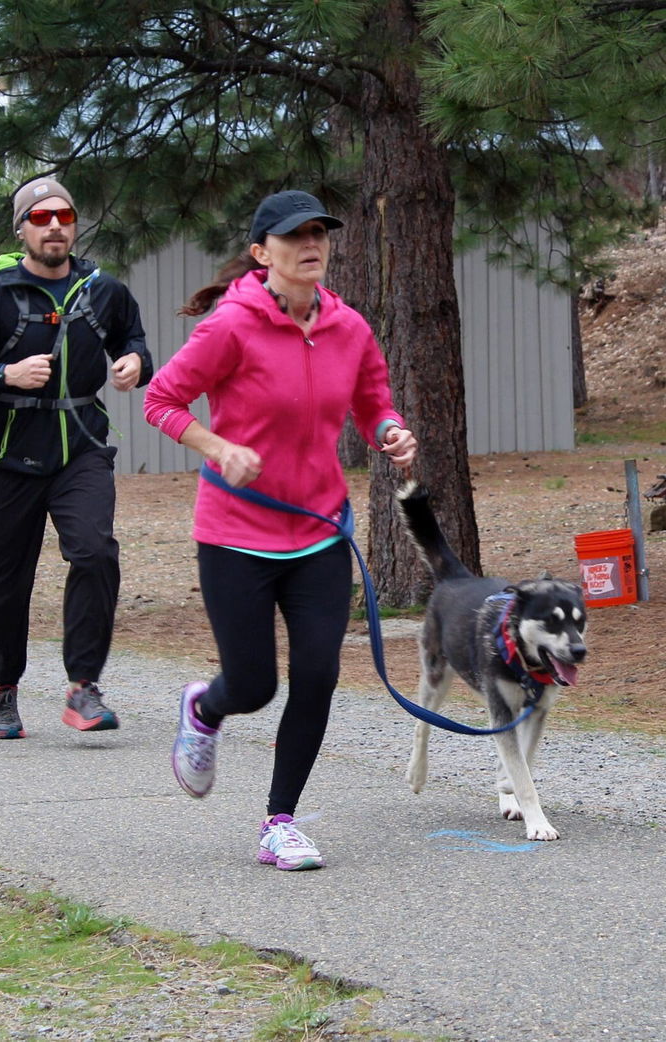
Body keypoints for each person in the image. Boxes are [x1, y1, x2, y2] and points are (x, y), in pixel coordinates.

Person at [142, 189, 418, 870]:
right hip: (235, 535)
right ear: (263, 253)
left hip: (320, 531)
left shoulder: (349, 327)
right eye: (295, 235)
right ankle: (204, 709)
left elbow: (371, 400)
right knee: (255, 684)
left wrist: (388, 431)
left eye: (320, 232)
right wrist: (217, 447)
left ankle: (279, 821)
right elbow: (162, 400)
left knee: (318, 675)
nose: (312, 244)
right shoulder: (230, 327)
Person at [0, 176, 154, 740]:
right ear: (22, 229)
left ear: (75, 225)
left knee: (95, 552)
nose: (54, 225)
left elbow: (132, 337)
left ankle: (84, 686)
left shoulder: (101, 290)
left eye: (63, 215)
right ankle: (3, 689)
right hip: (8, 455)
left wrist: (134, 361)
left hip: (80, 447)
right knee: (9, 581)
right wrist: (3, 374)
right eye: (41, 217)